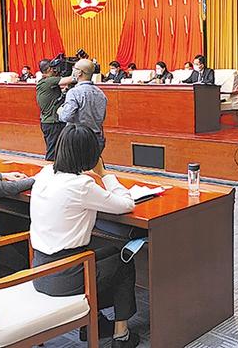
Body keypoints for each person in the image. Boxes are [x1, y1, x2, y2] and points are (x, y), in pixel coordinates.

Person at [30, 124, 139, 347]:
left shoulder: (45, 173)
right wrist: (104, 174)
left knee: (109, 251)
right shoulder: (81, 185)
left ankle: (94, 324)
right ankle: (121, 336)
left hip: (41, 271)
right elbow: (126, 204)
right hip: (68, 277)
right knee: (124, 261)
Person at [59, 59, 107, 154]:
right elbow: (102, 117)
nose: (73, 70)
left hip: (78, 138)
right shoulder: (101, 93)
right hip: (96, 137)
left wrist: (60, 111)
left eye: (75, 68)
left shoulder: (74, 92)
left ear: (80, 73)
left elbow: (66, 117)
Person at [36, 59, 74, 161]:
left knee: (57, 151)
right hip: (53, 123)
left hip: (49, 122)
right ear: (49, 69)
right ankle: (49, 169)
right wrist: (78, 69)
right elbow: (72, 79)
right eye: (54, 68)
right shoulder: (49, 81)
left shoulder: (43, 82)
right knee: (53, 153)